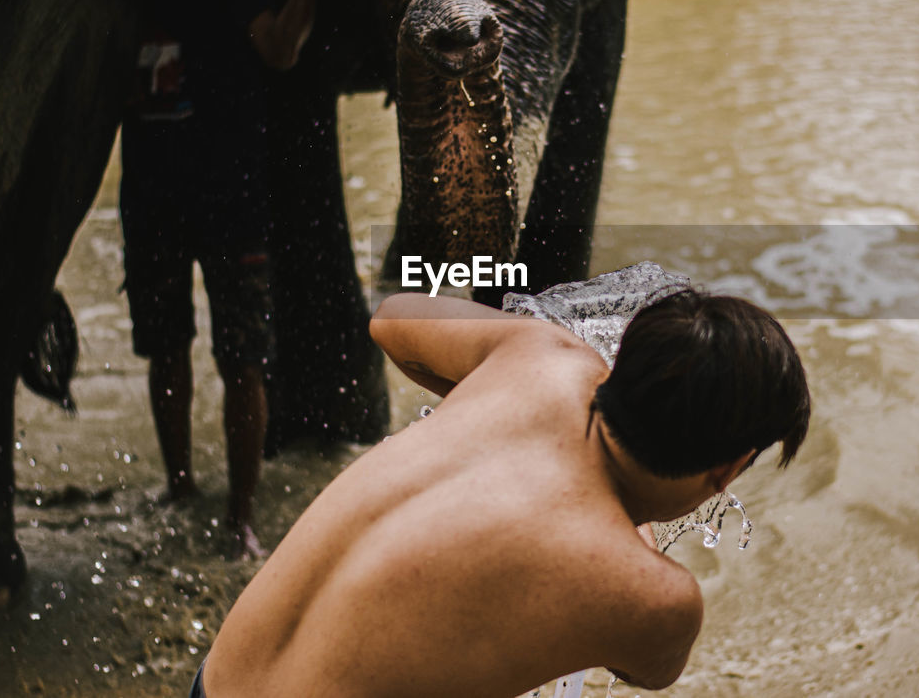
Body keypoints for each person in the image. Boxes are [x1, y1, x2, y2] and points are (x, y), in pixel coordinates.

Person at [196, 287, 811, 696]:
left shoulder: (539, 355)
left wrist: (480, 397)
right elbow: (649, 673)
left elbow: (392, 317)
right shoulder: (657, 599)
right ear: (727, 471)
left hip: (217, 680)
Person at [119, 0, 333, 559]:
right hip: (151, 193)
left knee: (242, 358)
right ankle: (179, 486)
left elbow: (279, 49)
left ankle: (240, 516)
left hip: (229, 194)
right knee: (165, 346)